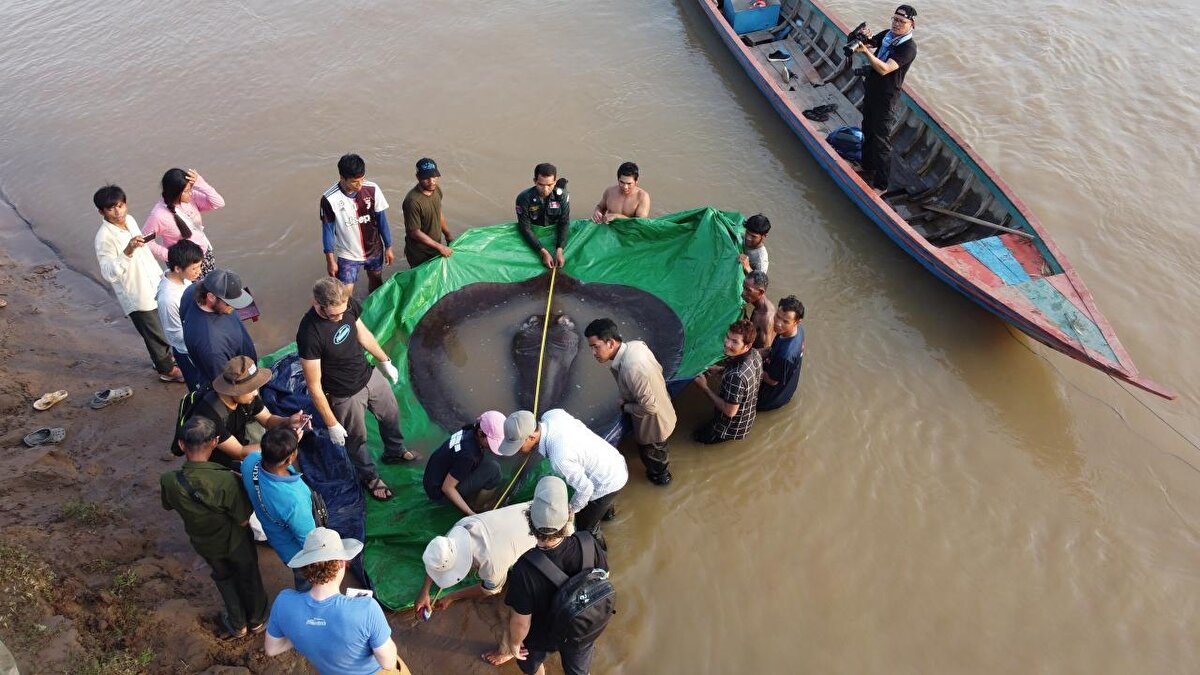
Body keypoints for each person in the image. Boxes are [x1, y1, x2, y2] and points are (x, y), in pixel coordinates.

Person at [297, 277, 417, 502]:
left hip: (368, 374)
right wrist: (331, 423)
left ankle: (395, 450)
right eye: (333, 315)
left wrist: (384, 361)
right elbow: (313, 385)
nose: (340, 317)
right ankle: (369, 476)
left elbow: (362, 333)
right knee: (356, 438)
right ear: (317, 304)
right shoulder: (309, 333)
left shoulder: (347, 305)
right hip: (343, 393)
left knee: (391, 414)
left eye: (343, 311)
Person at [160, 416, 267, 640]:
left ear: (181, 445)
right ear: (216, 441)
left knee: (223, 578)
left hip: (204, 542)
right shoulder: (226, 479)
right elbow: (243, 520)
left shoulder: (170, 480)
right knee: (248, 576)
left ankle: (238, 624)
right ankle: (256, 620)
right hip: (235, 541)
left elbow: (168, 505)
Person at [265, 528, 410, 675]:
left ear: (306, 567)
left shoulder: (283, 602)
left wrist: (300, 631)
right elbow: (388, 662)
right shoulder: (367, 609)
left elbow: (272, 649)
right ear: (341, 563)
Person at [504, 476, 609, 675]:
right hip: (580, 628)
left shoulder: (524, 569)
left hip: (542, 635)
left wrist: (515, 643)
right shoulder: (587, 542)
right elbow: (603, 577)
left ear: (530, 520)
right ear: (568, 516)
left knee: (532, 666)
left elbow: (521, 621)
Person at [415, 501, 539, 667]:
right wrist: (425, 591)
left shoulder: (491, 565)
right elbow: (438, 557)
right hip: (532, 507)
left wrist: (452, 597)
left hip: (544, 533)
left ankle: (508, 650)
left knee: (511, 605)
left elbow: (489, 590)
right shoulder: (461, 528)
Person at [92, 184, 183, 383]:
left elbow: (145, 253)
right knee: (154, 334)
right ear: (101, 211)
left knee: (164, 326)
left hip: (155, 282)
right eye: (111, 208)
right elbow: (108, 274)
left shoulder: (130, 220)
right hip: (137, 293)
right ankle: (166, 370)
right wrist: (127, 251)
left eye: (121, 205)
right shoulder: (103, 238)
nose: (118, 212)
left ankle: (165, 359)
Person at [498, 408, 628, 537]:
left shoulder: (559, 458)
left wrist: (570, 511)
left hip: (608, 481)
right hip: (613, 459)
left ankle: (599, 547)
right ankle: (608, 515)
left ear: (531, 437)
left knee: (586, 529)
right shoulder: (552, 414)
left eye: (519, 446)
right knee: (604, 506)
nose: (519, 450)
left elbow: (586, 489)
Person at [584, 318, 677, 486]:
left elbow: (649, 407)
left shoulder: (631, 368)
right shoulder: (636, 346)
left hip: (654, 427)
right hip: (666, 409)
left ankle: (661, 479)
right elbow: (660, 370)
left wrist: (625, 406)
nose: (593, 353)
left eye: (596, 347)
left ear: (610, 343)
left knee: (655, 461)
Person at [186, 356, 308, 471]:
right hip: (219, 461)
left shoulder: (247, 397)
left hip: (240, 443)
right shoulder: (210, 415)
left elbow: (267, 419)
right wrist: (285, 443)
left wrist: (288, 421)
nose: (255, 393)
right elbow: (239, 453)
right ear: (233, 391)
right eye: (250, 389)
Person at [242, 426, 318, 590]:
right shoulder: (294, 499)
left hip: (278, 540)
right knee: (307, 581)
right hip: (299, 553)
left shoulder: (250, 462)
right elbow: (309, 540)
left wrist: (288, 441)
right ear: (290, 459)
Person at [853, 5, 918, 191]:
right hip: (872, 89)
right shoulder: (886, 35)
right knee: (867, 128)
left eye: (901, 21)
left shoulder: (908, 48)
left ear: (912, 24)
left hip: (887, 97)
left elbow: (885, 68)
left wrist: (866, 52)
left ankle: (881, 185)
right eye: (895, 19)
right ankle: (866, 166)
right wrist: (860, 39)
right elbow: (867, 45)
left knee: (882, 141)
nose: (896, 24)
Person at [320, 153, 394, 295]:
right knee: (345, 293)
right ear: (342, 178)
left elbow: (381, 220)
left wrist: (388, 246)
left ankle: (372, 313)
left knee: (376, 282)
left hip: (374, 249)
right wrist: (330, 260)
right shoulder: (329, 199)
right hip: (348, 254)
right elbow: (327, 230)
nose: (360, 185)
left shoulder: (372, 189)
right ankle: (349, 316)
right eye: (355, 182)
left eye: (362, 179)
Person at [180, 268, 257, 386]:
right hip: (239, 380)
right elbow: (226, 385)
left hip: (246, 366)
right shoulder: (211, 345)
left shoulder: (191, 291)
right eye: (229, 303)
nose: (234, 307)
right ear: (211, 297)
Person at [142, 168, 225, 276]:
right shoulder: (159, 215)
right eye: (186, 191)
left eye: (190, 188)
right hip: (184, 266)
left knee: (212, 288)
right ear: (175, 192)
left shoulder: (192, 197)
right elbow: (144, 240)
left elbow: (218, 203)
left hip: (204, 254)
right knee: (194, 292)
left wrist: (200, 183)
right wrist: (170, 256)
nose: (190, 193)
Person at [422, 411, 505, 516]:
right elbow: (447, 488)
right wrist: (470, 513)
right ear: (480, 433)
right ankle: (477, 507)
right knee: (494, 471)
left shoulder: (469, 429)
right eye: (491, 440)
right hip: (439, 493)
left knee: (488, 463)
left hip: (432, 480)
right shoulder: (469, 455)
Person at [692, 320, 763, 444]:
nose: (727, 344)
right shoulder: (755, 354)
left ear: (747, 346)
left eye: (735, 342)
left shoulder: (736, 377)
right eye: (727, 337)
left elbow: (730, 411)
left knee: (697, 438)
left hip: (729, 428)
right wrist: (720, 370)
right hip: (748, 415)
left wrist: (704, 388)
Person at [156, 240, 205, 389]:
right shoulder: (168, 299)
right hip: (188, 351)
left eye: (200, 266)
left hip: (196, 341)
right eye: (195, 268)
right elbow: (174, 335)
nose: (199, 271)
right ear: (177, 268)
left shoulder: (183, 280)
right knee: (199, 388)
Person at [515, 163, 570, 269]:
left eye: (550, 185)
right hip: (534, 231)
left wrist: (560, 249)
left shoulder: (562, 195)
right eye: (541, 185)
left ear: (555, 182)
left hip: (553, 230)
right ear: (534, 181)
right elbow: (525, 228)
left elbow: (564, 222)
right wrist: (542, 251)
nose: (545, 190)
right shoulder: (524, 198)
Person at [401, 157, 454, 268]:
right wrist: (440, 247)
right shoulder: (412, 201)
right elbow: (414, 232)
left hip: (435, 247)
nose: (432, 181)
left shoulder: (436, 190)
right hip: (420, 254)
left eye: (434, 176)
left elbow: (438, 212)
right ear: (418, 177)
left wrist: (448, 235)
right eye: (426, 178)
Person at [759, 295, 806, 411]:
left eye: (785, 321)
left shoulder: (786, 355)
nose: (778, 323)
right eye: (777, 316)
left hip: (771, 398)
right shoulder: (798, 331)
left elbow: (772, 381)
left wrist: (752, 366)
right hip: (787, 384)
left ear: (797, 322)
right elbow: (772, 350)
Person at [742, 270, 776, 350]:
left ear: (761, 292)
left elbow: (766, 350)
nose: (743, 293)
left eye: (748, 290)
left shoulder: (765, 318)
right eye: (744, 288)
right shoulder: (760, 302)